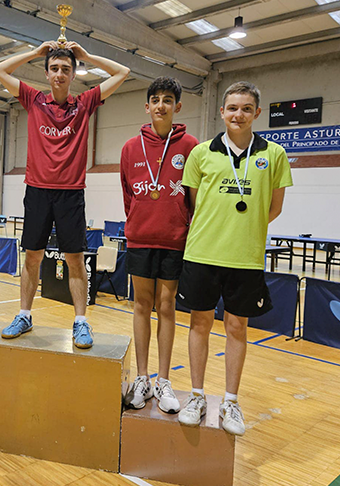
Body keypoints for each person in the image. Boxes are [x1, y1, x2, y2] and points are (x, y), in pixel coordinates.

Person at [0, 41, 129, 349]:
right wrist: (35, 52)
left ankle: (81, 322)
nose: (59, 74)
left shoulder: (84, 103)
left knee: (75, 259)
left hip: (70, 194)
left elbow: (123, 72)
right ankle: (25, 315)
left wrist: (87, 55)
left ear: (73, 74)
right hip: (38, 191)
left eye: (66, 69)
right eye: (54, 68)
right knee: (32, 256)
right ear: (46, 73)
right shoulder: (33, 99)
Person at [177, 81, 293, 435]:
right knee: (199, 323)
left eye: (245, 108)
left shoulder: (273, 154)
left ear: (257, 113)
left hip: (245, 257)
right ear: (222, 112)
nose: (238, 114)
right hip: (202, 253)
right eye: (232, 108)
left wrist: (243, 229)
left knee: (236, 327)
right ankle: (196, 396)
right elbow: (194, 203)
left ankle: (230, 401)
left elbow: (273, 208)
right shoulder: (201, 153)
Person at [120, 77, 198, 413]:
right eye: (155, 99)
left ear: (177, 107)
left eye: (168, 99)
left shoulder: (191, 146)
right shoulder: (129, 148)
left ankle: (163, 380)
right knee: (141, 304)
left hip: (174, 240)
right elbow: (128, 194)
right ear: (147, 105)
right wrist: (140, 219)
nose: (161, 105)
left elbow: (195, 197)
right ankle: (142, 378)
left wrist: (177, 220)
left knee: (167, 306)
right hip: (140, 238)